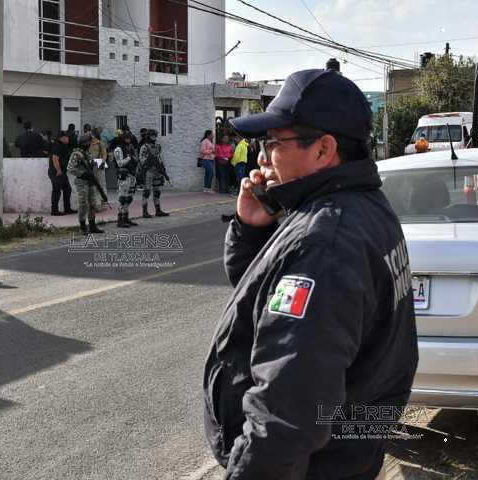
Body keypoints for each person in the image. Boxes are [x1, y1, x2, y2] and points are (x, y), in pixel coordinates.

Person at [203, 69, 418, 480]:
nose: (262, 157)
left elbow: (286, 412)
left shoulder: (325, 242)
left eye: (273, 143)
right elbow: (266, 301)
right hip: (348, 454)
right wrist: (252, 229)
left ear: (323, 149)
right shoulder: (362, 205)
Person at [68, 133, 104, 234]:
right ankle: (83, 226)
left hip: (90, 181)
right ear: (85, 143)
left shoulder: (87, 153)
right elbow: (70, 168)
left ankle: (92, 225)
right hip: (81, 182)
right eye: (89, 143)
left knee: (93, 203)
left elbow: (91, 162)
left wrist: (100, 162)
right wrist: (82, 174)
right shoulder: (76, 154)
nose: (90, 144)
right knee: (83, 204)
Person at [139, 129, 169, 218]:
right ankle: (145, 211)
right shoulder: (144, 147)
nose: (154, 137)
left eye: (155, 136)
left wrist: (162, 169)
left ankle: (158, 210)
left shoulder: (157, 146)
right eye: (152, 136)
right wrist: (149, 160)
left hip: (157, 171)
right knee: (147, 192)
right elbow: (141, 160)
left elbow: (160, 158)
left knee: (157, 192)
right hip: (148, 171)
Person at [114, 132, 139, 228]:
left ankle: (126, 217)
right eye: (127, 138)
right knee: (122, 198)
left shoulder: (129, 147)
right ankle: (120, 219)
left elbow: (135, 159)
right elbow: (120, 163)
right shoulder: (118, 149)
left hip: (131, 174)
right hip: (124, 175)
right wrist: (129, 158)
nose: (129, 140)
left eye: (130, 138)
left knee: (129, 198)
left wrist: (134, 158)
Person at [48, 131, 76, 216]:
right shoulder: (58, 145)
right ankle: (54, 210)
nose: (68, 139)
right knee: (56, 190)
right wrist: (59, 170)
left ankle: (67, 209)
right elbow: (55, 158)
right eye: (66, 137)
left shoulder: (63, 146)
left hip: (61, 172)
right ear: (62, 138)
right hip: (56, 172)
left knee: (67, 189)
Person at [89, 127, 108, 212]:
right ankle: (95, 204)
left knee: (101, 184)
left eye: (91, 134)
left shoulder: (100, 143)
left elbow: (104, 154)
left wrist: (102, 162)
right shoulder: (89, 143)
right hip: (91, 165)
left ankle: (103, 202)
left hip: (99, 165)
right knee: (92, 186)